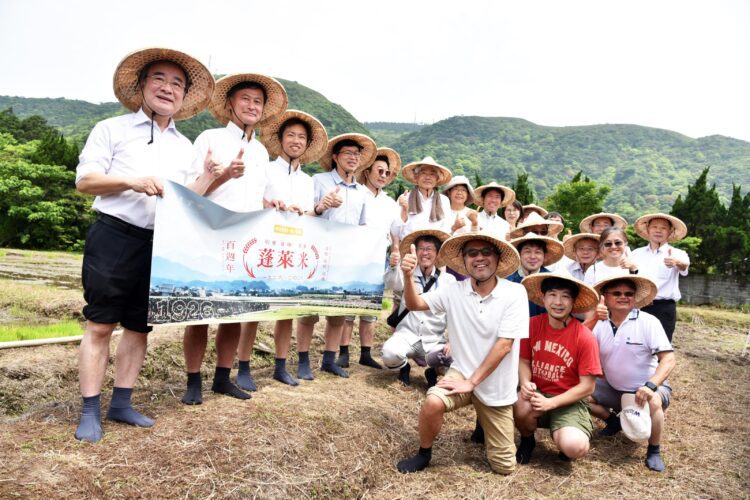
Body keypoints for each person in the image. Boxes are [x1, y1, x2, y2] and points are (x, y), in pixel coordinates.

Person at [74, 48, 214, 442]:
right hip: (114, 235)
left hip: (160, 243)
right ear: (141, 85)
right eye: (160, 79)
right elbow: (85, 181)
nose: (168, 88)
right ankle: (89, 409)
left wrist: (209, 177)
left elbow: (187, 199)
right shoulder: (111, 129)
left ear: (184, 96)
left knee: (139, 326)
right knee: (101, 323)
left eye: (177, 83)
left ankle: (122, 403)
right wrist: (131, 181)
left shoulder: (185, 147)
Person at [181, 73, 288, 404]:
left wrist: (272, 203)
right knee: (199, 313)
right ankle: (193, 381)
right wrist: (224, 174)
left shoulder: (261, 152)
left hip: (246, 242)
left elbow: (260, 197)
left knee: (234, 313)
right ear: (230, 104)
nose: (252, 106)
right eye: (245, 99)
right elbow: (190, 193)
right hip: (209, 237)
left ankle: (222, 378)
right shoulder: (209, 139)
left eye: (258, 101)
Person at [396, 232, 528, 475]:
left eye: (486, 252)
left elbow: (505, 345)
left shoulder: (515, 292)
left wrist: (472, 383)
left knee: (504, 468)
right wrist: (407, 275)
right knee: (433, 401)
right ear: (464, 260)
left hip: (496, 383)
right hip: (462, 373)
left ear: (498, 258)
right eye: (472, 253)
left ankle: (483, 419)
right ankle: (424, 453)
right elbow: (415, 304)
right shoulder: (453, 290)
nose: (479, 258)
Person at [254, 110, 328, 385]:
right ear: (280, 139)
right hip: (264, 246)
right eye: (291, 135)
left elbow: (307, 215)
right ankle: (244, 367)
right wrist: (271, 206)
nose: (296, 141)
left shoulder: (307, 181)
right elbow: (254, 201)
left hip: (293, 250)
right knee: (253, 310)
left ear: (307, 144)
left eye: (301, 137)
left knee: (286, 311)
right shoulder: (265, 169)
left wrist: (312, 210)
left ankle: (280, 364)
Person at [303, 133, 377, 378]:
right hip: (318, 256)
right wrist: (322, 206)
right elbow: (305, 215)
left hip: (346, 259)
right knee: (309, 310)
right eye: (348, 153)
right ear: (335, 157)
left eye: (357, 154)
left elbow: (363, 226)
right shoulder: (319, 180)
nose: (353, 158)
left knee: (337, 312)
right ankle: (303, 360)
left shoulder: (362, 192)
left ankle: (329, 359)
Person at [588, 275, 676, 472]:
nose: (623, 297)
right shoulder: (599, 324)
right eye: (617, 293)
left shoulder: (648, 322)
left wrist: (650, 385)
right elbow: (579, 344)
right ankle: (614, 421)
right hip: (613, 388)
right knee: (578, 394)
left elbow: (669, 359)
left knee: (653, 400)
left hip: (645, 389)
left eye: (628, 293)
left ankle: (654, 450)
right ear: (605, 297)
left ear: (635, 298)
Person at [514, 272, 601, 464]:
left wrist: (552, 404)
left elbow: (588, 387)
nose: (558, 302)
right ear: (543, 298)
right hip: (538, 395)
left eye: (565, 296)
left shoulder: (584, 337)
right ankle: (527, 440)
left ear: (573, 302)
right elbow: (524, 360)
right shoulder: (531, 325)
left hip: (569, 401)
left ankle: (564, 435)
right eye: (552, 295)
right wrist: (525, 381)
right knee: (520, 403)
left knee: (574, 447)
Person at [337, 147, 404, 370]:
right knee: (348, 307)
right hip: (353, 257)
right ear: (367, 172)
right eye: (379, 171)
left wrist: (396, 250)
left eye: (386, 173)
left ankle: (365, 353)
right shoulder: (357, 194)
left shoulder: (390, 203)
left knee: (370, 308)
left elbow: (395, 230)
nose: (383, 176)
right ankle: (343, 352)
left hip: (377, 258)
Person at [381, 229, 455, 386]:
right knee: (389, 354)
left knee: (456, 360)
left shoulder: (448, 281)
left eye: (429, 249)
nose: (425, 253)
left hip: (434, 339)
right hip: (406, 335)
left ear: (437, 254)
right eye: (421, 249)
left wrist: (452, 341)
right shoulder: (406, 273)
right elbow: (391, 283)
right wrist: (394, 266)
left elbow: (454, 314)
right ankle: (404, 367)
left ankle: (433, 371)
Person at [630, 213, 690, 342]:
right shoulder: (636, 254)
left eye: (663, 228)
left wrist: (676, 262)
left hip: (663, 308)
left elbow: (684, 266)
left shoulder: (678, 254)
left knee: (661, 346)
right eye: (654, 227)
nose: (658, 230)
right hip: (637, 306)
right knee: (635, 344)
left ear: (670, 231)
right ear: (648, 229)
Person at [507, 233, 565, 316]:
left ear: (544, 256)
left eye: (538, 252)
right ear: (519, 254)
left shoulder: (552, 281)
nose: (533, 256)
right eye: (527, 252)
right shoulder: (508, 280)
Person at [398, 157, 453, 238]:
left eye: (432, 174)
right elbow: (396, 228)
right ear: (416, 177)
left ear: (437, 179)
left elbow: (446, 227)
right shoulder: (405, 198)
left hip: (435, 243)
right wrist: (404, 209)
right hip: (409, 243)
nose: (427, 177)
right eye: (423, 173)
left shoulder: (444, 200)